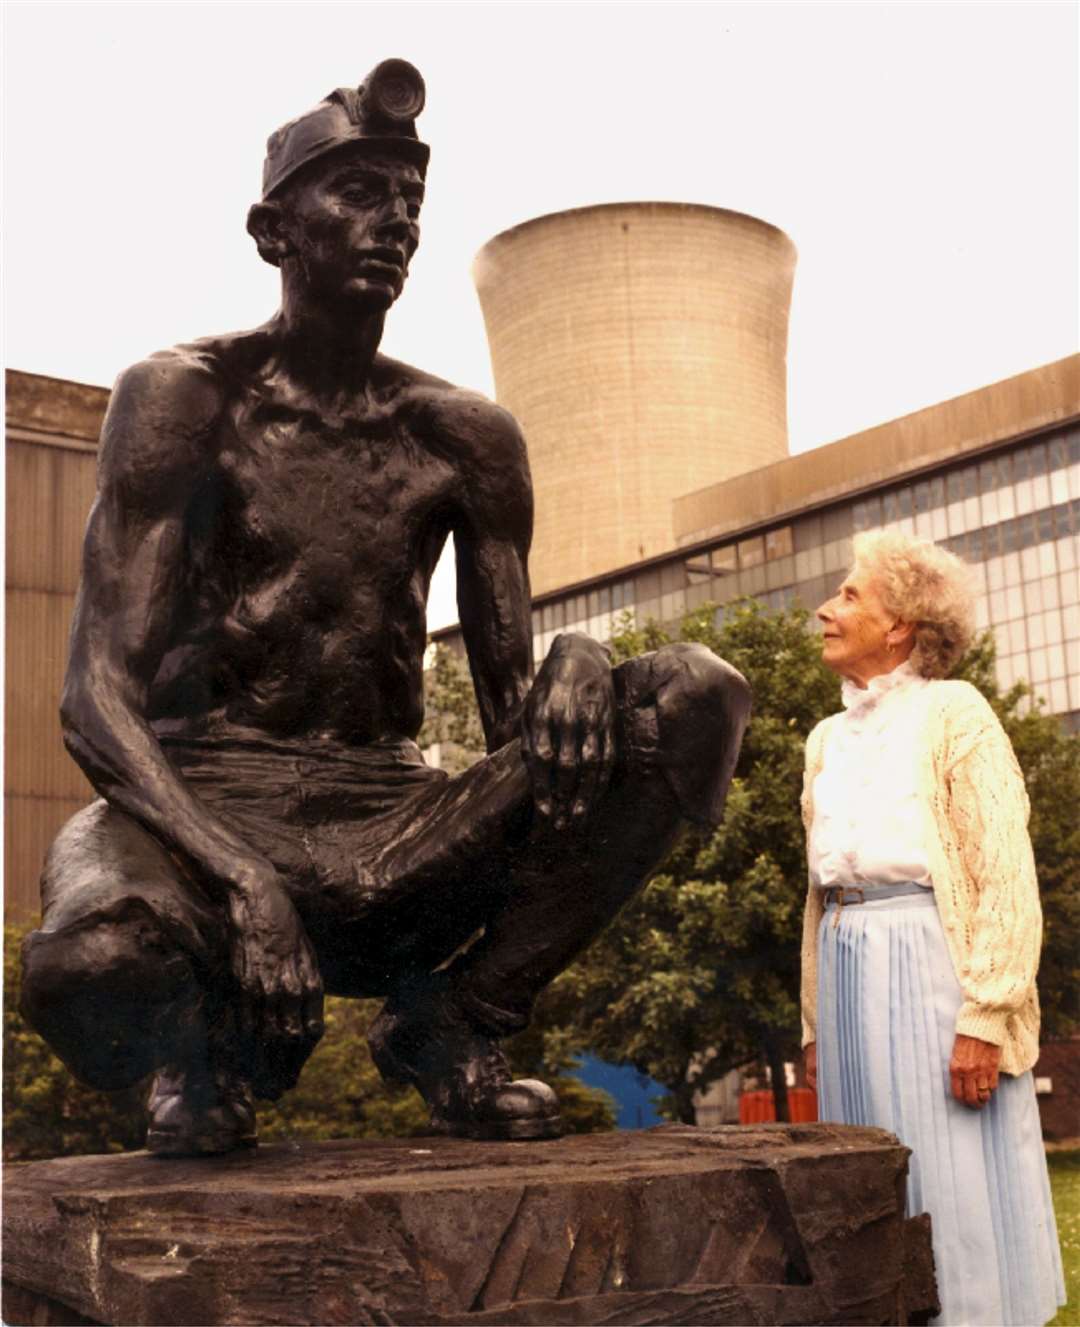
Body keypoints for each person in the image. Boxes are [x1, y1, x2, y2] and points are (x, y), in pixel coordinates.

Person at [19, 60, 751, 1155]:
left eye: (409, 199)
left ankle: (457, 1018)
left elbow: (524, 739)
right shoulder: (183, 398)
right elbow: (94, 700)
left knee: (696, 694)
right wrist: (243, 878)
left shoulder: (463, 435)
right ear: (275, 231)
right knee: (88, 965)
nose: (395, 222)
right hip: (205, 816)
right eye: (358, 193)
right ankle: (203, 1056)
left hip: (394, 829)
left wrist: (584, 658)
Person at [800, 528, 1065, 1326]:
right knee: (863, 1193)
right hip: (847, 969)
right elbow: (818, 896)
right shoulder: (824, 739)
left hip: (931, 972)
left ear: (902, 627)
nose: (825, 608)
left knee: (947, 1185)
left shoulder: (955, 712)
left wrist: (985, 1012)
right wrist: (814, 1018)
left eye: (849, 595)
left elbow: (1005, 875)